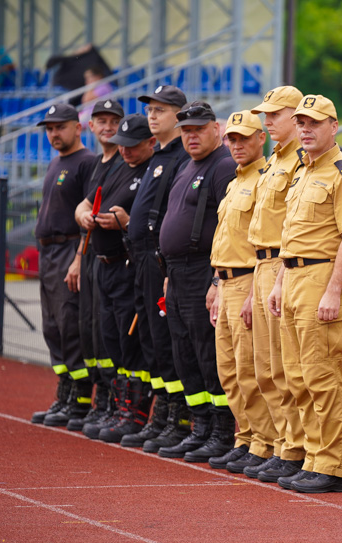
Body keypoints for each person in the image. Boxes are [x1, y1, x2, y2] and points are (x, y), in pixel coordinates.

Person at [266, 94, 342, 493]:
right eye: (302, 123)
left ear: (334, 126)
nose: (306, 130)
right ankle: (312, 457)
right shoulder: (303, 171)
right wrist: (278, 282)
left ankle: (333, 466)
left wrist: (331, 292)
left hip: (321, 280)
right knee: (297, 377)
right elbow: (291, 237)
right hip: (292, 277)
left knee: (323, 375)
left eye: (315, 123)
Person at [191, 111, 276, 471]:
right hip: (225, 280)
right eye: (232, 139)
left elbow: (261, 243)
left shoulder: (265, 179)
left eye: (244, 138)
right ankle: (246, 438)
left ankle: (263, 443)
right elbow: (226, 238)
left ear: (261, 139)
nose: (237, 145)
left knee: (249, 369)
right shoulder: (235, 181)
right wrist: (215, 283)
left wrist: (250, 291)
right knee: (229, 370)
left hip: (247, 279)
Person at [156, 101, 237, 460]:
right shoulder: (188, 166)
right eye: (186, 130)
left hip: (203, 270)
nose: (191, 136)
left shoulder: (222, 167)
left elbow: (229, 229)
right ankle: (199, 426)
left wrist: (217, 279)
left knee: (208, 353)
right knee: (184, 353)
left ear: (215, 129)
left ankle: (220, 432)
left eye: (198, 129)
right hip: (177, 273)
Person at [240, 85, 308, 482]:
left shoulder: (301, 162)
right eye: (264, 114)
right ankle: (282, 444)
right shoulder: (273, 162)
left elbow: (294, 228)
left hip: (285, 266)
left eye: (274, 114)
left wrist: (279, 276)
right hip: (262, 265)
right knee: (266, 367)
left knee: (286, 367)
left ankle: (293, 449)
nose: (266, 122)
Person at [119, 86, 191, 451]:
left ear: (179, 114)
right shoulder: (159, 155)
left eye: (161, 109)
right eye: (150, 109)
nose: (152, 115)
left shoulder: (181, 155)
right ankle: (161, 414)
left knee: (166, 341)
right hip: (142, 257)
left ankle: (176, 419)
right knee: (150, 339)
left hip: (161, 261)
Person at [75, 113, 154, 443]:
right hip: (103, 264)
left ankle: (134, 412)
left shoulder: (151, 170)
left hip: (128, 265)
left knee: (129, 340)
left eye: (132, 147)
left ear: (150, 143)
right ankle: (117, 405)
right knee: (109, 337)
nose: (125, 151)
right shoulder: (117, 166)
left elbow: (149, 220)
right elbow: (90, 198)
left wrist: (124, 221)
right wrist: (85, 215)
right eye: (122, 146)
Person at [58, 98, 123, 431]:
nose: (108, 127)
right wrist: (79, 253)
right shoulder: (99, 162)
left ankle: (112, 402)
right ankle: (99, 400)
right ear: (92, 126)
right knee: (91, 332)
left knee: (107, 334)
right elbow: (85, 207)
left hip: (117, 261)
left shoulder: (123, 162)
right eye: (102, 120)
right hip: (91, 257)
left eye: (114, 121)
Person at [30, 104, 96, 427]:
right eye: (50, 128)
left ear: (78, 128)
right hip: (47, 254)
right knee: (52, 328)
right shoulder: (55, 162)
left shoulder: (86, 163)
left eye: (60, 127)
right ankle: (65, 392)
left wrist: (78, 259)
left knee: (71, 326)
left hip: (69, 250)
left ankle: (80, 400)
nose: (54, 133)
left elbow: (89, 218)